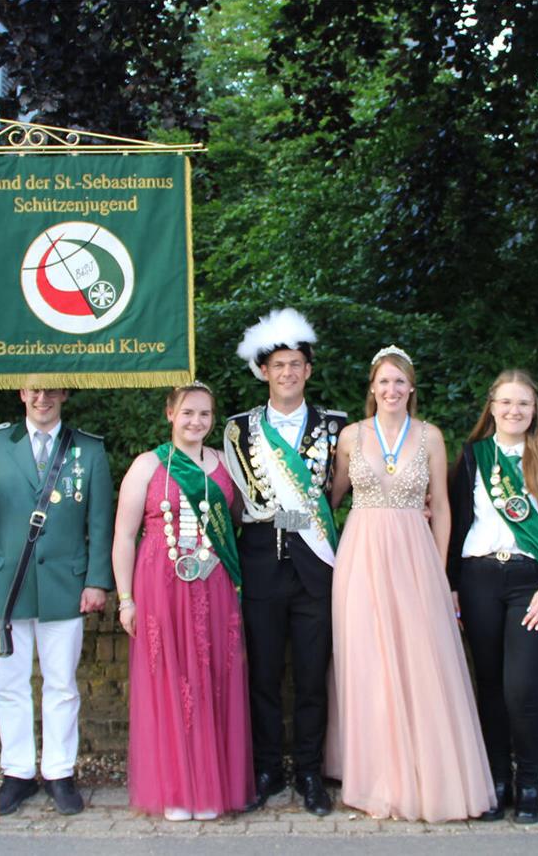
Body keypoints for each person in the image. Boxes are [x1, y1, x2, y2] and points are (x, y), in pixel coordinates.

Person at [325, 345, 495, 822]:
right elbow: (333, 497)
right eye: (383, 381)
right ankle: (375, 775)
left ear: (411, 388)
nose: (391, 389)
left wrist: (439, 571)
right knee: (368, 660)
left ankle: (428, 772)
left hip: (415, 554)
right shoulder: (351, 437)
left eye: (400, 381)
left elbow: (441, 506)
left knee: (421, 658)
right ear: (371, 388)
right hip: (361, 552)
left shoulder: (430, 437)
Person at [0, 384, 113, 816]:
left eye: (52, 392)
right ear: (22, 393)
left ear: (65, 395)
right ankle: (17, 772)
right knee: (12, 684)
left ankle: (59, 771)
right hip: (7, 586)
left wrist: (96, 581)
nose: (43, 399)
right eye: (35, 391)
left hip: (64, 584)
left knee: (61, 684)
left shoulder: (88, 450)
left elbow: (100, 521)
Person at [446, 369, 538, 824]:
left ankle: (528, 783)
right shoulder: (472, 457)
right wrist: (450, 584)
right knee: (488, 686)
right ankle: (496, 781)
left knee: (521, 689)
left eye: (523, 403)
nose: (514, 411)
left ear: (534, 410)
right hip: (478, 578)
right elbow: (453, 522)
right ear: (492, 407)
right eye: (505, 402)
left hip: (531, 584)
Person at [222, 308, 346, 816]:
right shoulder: (236, 430)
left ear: (308, 371)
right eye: (279, 366)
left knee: (314, 674)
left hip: (315, 566)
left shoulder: (336, 426)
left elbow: (337, 494)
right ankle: (269, 766)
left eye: (297, 365)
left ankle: (311, 772)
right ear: (264, 372)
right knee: (265, 673)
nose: (288, 373)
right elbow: (230, 501)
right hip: (261, 566)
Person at [112, 382, 253, 820]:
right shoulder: (146, 466)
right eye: (188, 412)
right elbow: (123, 536)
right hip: (161, 584)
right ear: (170, 414)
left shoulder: (226, 465)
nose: (196, 422)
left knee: (214, 678)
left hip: (213, 584)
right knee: (169, 681)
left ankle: (211, 787)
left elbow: (241, 521)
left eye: (205, 414)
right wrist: (125, 599)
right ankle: (175, 788)